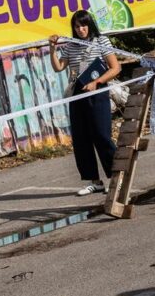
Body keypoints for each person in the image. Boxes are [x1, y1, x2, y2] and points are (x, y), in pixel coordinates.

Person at [50, 10, 121, 196]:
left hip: (97, 94)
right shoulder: (71, 45)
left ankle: (117, 177)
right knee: (81, 139)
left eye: (84, 25)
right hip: (77, 95)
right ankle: (94, 181)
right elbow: (58, 67)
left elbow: (116, 68)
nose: (81, 29)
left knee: (101, 135)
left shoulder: (101, 41)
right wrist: (52, 48)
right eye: (77, 26)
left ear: (90, 24)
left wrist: (96, 82)